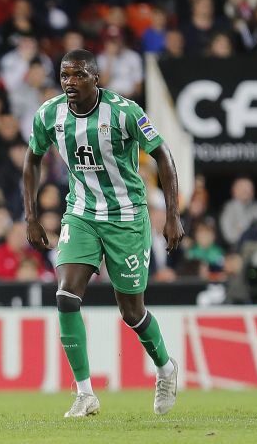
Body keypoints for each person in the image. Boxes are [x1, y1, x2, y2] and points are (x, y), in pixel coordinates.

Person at [23, 49, 183, 418]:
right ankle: (84, 393)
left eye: (78, 75)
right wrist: (31, 216)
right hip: (81, 213)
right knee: (65, 295)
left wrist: (172, 215)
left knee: (132, 312)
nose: (69, 83)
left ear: (96, 78)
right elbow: (32, 159)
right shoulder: (50, 114)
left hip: (126, 218)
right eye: (64, 76)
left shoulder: (125, 112)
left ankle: (165, 367)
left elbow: (163, 156)